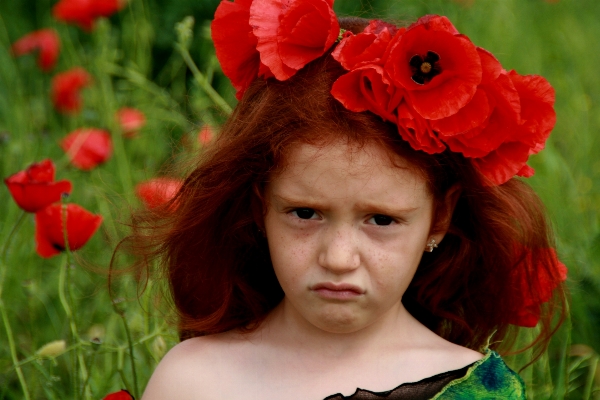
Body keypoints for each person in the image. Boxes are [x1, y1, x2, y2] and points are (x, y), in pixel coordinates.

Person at [135, 1, 568, 398]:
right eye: (305, 213)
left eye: (380, 220)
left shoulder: (477, 389)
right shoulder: (194, 382)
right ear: (259, 207)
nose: (339, 259)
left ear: (439, 218)